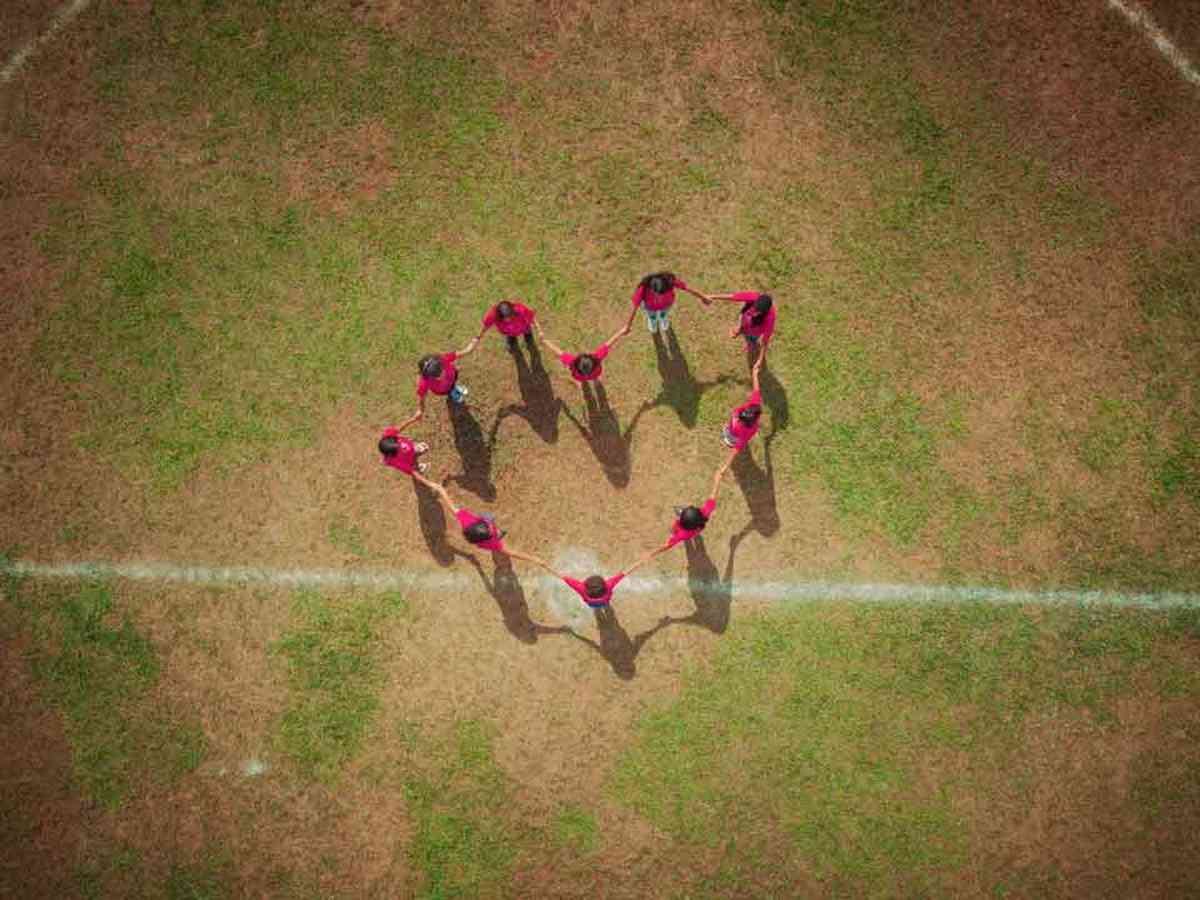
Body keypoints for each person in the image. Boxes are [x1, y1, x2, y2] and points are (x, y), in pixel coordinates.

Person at [416, 475, 546, 565]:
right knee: (490, 518)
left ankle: (495, 528)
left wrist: (423, 479)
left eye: (489, 527)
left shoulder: (466, 520)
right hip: (491, 539)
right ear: (487, 536)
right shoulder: (492, 543)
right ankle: (498, 532)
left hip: (482, 530)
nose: (491, 527)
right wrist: (536, 560)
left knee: (489, 516)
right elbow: (514, 553)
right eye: (491, 529)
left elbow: (442, 493)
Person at [644, 462, 730, 560]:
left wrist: (652, 553)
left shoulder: (681, 534)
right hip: (694, 531)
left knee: (674, 529)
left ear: (682, 522)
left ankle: (674, 527)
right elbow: (713, 494)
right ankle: (689, 530)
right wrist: (717, 478)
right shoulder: (705, 513)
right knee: (689, 532)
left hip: (686, 533)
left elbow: (667, 545)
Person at [528, 552, 655, 609]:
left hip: (591, 604)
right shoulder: (609, 585)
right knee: (605, 605)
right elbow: (626, 572)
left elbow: (561, 576)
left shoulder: (580, 588)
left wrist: (545, 565)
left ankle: (599, 608)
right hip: (605, 601)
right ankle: (605, 606)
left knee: (597, 607)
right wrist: (640, 562)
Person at [536, 319, 630, 387]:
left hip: (579, 377)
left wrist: (545, 341)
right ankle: (595, 380)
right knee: (594, 377)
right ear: (591, 360)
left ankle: (586, 381)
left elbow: (558, 352)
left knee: (583, 379)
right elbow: (609, 343)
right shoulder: (597, 357)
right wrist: (621, 332)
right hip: (594, 374)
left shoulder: (571, 362)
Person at [405, 338, 479, 424]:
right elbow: (421, 398)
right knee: (449, 390)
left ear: (439, 362)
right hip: (442, 390)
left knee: (452, 385)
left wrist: (471, 346)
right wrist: (420, 410)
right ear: (427, 375)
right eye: (435, 376)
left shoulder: (443, 358)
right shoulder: (424, 382)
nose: (441, 376)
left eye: (440, 371)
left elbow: (463, 352)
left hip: (453, 377)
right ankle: (451, 392)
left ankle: (454, 388)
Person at [624, 271, 712, 334]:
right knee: (652, 316)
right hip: (650, 307)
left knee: (663, 314)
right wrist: (628, 325)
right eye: (657, 293)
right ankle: (652, 321)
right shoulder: (643, 288)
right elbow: (634, 308)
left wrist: (703, 297)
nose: (659, 296)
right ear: (651, 286)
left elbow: (688, 288)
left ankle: (663, 318)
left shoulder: (670, 281)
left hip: (666, 305)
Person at [722, 351, 766, 454]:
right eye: (746, 410)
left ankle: (728, 437)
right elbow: (756, 389)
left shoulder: (748, 431)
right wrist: (754, 374)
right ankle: (727, 432)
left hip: (733, 436)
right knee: (727, 429)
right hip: (731, 429)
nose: (745, 410)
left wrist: (724, 468)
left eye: (744, 414)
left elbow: (737, 449)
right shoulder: (754, 403)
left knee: (728, 438)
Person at [708, 291, 777, 353]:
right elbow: (733, 297)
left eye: (758, 312)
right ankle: (740, 330)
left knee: (752, 338)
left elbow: (765, 341)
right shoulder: (754, 297)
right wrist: (713, 296)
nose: (754, 313)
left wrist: (759, 361)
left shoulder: (770, 318)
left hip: (755, 331)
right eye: (755, 308)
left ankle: (752, 344)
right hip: (745, 320)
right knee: (743, 327)